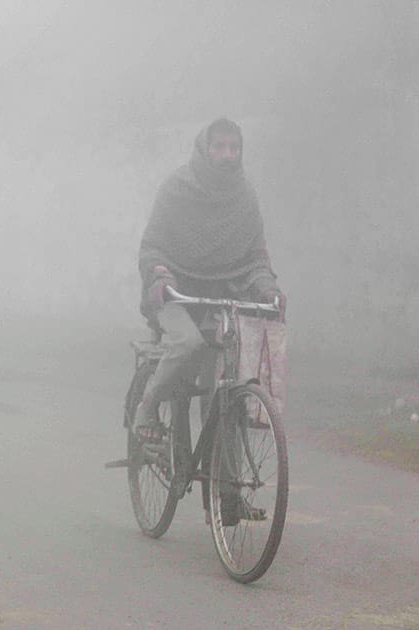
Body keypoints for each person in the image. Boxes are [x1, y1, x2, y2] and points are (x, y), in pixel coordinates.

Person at [133, 118, 285, 524]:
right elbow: (152, 246)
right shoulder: (177, 188)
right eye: (219, 147)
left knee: (231, 389)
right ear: (204, 149)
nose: (227, 155)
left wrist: (268, 289)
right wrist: (161, 274)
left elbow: (255, 258)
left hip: (222, 299)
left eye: (234, 147)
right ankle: (147, 409)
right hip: (175, 294)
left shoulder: (244, 197)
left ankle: (226, 495)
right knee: (187, 344)